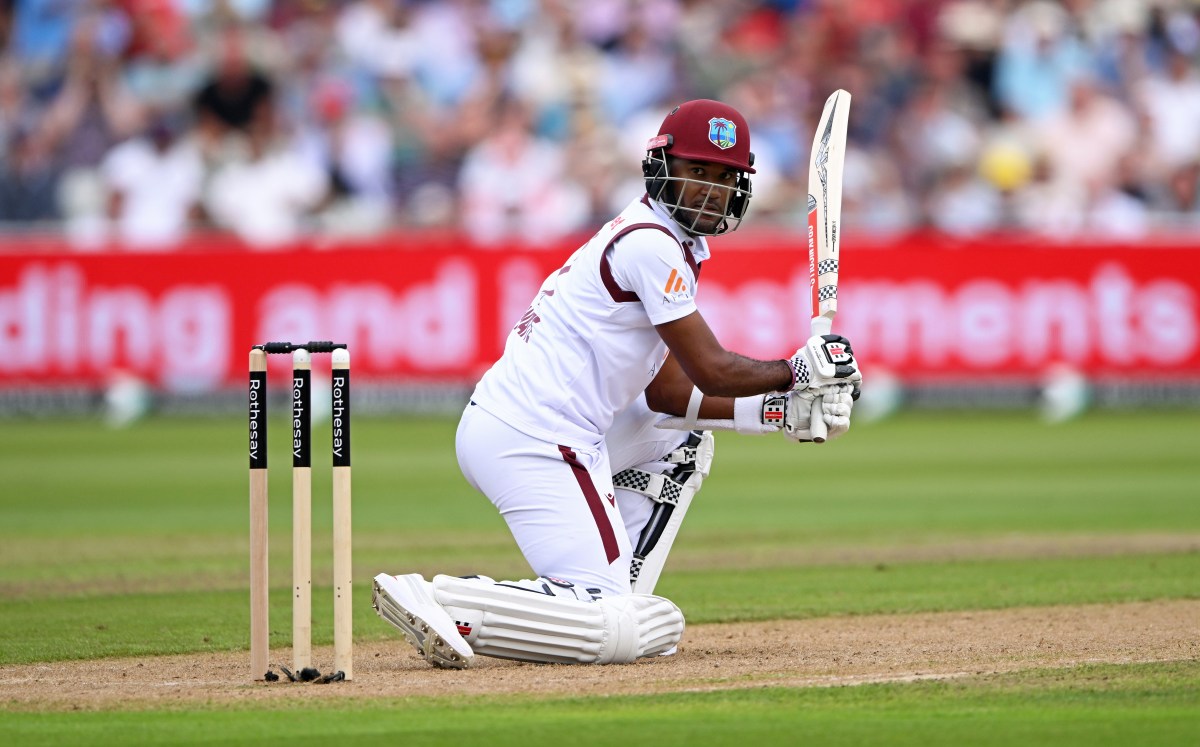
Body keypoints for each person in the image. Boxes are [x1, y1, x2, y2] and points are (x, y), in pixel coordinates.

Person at [372, 99, 861, 669]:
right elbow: (712, 368)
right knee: (614, 629)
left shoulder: (671, 243)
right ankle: (449, 601)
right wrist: (798, 371)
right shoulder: (649, 243)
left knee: (681, 440)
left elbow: (669, 396)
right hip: (533, 437)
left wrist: (785, 411)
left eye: (725, 178)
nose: (710, 189)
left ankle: (607, 598)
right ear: (660, 168)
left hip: (538, 428)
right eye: (697, 171)